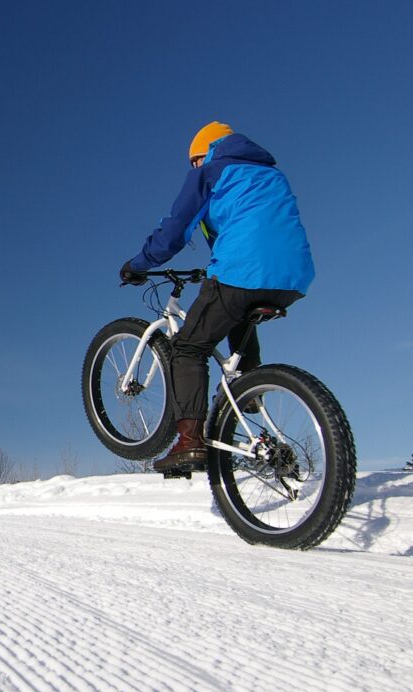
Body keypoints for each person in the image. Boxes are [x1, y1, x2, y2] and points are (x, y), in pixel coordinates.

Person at [119, 121, 314, 472]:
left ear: (205, 152)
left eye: (193, 160)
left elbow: (175, 229)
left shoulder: (212, 172)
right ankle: (249, 387)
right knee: (236, 317)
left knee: (188, 348)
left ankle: (190, 443)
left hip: (244, 268)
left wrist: (138, 264)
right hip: (293, 277)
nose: (192, 168)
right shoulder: (270, 175)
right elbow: (250, 225)